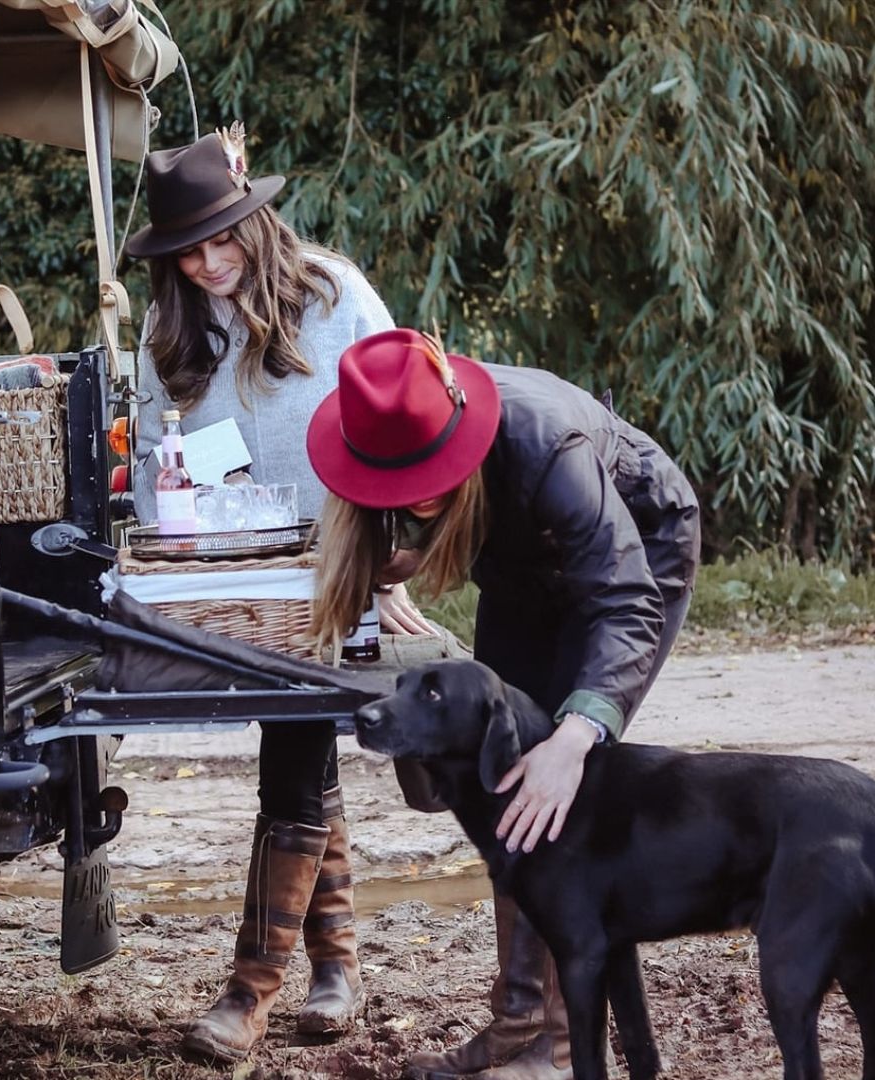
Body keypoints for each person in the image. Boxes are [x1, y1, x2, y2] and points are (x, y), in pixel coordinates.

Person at [305, 327, 701, 1080]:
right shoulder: (391, 426)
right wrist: (387, 571)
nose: (411, 499)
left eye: (426, 479)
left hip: (636, 558)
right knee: (497, 784)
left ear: (459, 439)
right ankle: (516, 1022)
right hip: (521, 569)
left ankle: (555, 1050)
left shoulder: (548, 450)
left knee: (555, 791)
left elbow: (622, 600)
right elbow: (417, 522)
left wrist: (576, 734)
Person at [122, 126, 425, 1063]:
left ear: (258, 222)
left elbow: (408, 424)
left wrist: (391, 560)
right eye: (188, 249)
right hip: (234, 585)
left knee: (291, 748)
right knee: (295, 742)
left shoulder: (333, 295)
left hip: (336, 571)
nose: (209, 263)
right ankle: (336, 965)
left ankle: (248, 992)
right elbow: (146, 460)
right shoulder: (169, 325)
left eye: (224, 239)